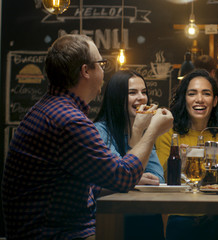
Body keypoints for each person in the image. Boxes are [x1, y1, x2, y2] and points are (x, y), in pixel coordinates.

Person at [1, 34, 173, 239]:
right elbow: (123, 177)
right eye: (101, 64)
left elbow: (94, 181)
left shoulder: (50, 108)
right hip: (56, 234)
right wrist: (152, 131)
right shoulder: (69, 120)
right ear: (85, 71)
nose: (103, 70)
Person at [155, 69, 218, 240]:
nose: (199, 99)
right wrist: (178, 163)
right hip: (181, 216)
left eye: (206, 93)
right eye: (192, 93)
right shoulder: (168, 133)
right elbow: (162, 184)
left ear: (215, 100)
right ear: (184, 99)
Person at [94, 70, 165, 239]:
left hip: (145, 216)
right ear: (117, 98)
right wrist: (139, 131)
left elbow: (157, 179)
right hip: (112, 220)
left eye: (144, 92)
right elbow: (118, 177)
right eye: (132, 93)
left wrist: (139, 132)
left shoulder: (146, 133)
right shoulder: (99, 131)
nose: (141, 98)